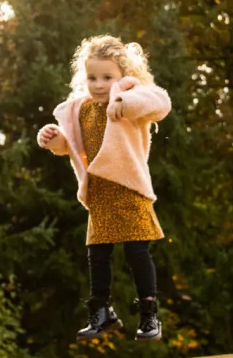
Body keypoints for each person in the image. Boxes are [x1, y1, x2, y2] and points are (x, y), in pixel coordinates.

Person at [37, 35, 172, 342]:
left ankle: (149, 314)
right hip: (99, 193)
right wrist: (52, 140)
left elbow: (160, 102)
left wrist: (125, 102)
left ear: (122, 77)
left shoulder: (131, 100)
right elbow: (70, 148)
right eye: (92, 77)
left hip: (129, 188)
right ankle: (102, 312)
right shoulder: (81, 109)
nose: (99, 84)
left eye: (107, 77)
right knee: (97, 254)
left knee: (138, 252)